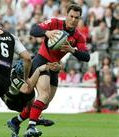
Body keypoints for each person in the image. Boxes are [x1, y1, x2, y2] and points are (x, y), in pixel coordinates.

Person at [12, 4, 90, 137]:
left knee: (44, 103)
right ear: (66, 15)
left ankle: (15, 121)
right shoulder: (54, 23)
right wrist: (46, 32)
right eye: (71, 16)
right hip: (41, 61)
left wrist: (72, 50)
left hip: (54, 67)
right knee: (43, 95)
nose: (73, 20)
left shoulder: (78, 37)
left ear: (79, 18)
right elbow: (34, 30)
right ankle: (31, 128)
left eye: (77, 18)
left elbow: (86, 57)